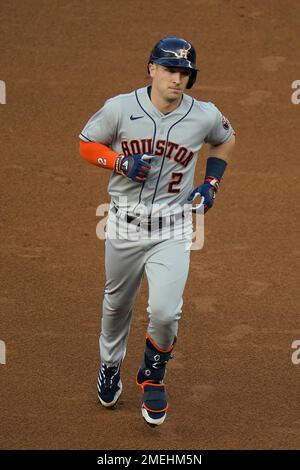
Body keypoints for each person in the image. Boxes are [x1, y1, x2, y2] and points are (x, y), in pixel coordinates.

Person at [79, 36, 235, 426]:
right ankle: (110, 365)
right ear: (151, 68)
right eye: (169, 69)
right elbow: (86, 144)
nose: (177, 79)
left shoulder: (203, 115)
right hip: (123, 225)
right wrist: (121, 164)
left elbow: (226, 140)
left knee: (166, 313)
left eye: (184, 72)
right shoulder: (120, 108)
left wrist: (211, 183)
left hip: (175, 228)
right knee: (117, 305)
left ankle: (152, 375)